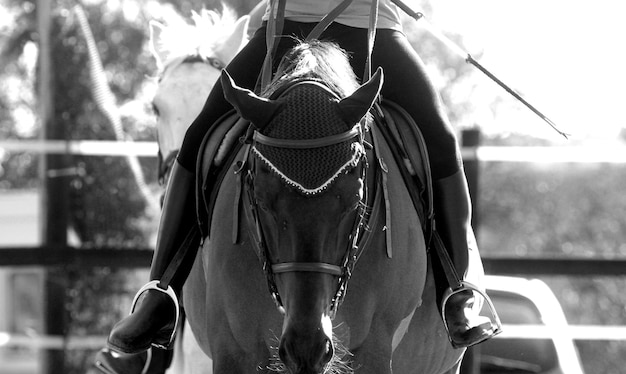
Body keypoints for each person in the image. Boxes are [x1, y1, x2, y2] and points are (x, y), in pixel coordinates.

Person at [107, 0, 499, 355]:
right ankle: (161, 293)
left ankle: (455, 288)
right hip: (282, 28)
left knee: (441, 141)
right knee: (197, 138)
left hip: (371, 29)